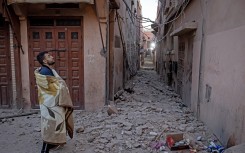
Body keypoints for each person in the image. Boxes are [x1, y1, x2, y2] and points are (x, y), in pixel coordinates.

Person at [35, 51, 74, 153]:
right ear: (44, 60)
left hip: (50, 104)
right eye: (49, 56)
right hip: (51, 105)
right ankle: (45, 150)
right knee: (51, 126)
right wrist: (62, 85)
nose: (52, 57)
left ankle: (51, 144)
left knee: (51, 125)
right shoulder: (45, 72)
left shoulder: (46, 70)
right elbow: (54, 88)